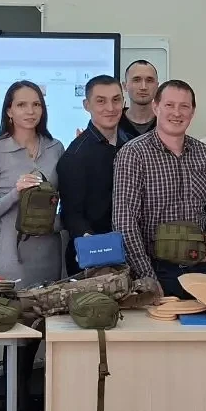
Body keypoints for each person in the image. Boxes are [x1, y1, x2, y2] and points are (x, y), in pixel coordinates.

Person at [0, 81, 64, 411]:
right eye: (22, 105)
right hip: (12, 261)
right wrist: (14, 193)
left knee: (38, 350)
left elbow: (64, 208)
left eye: (36, 104)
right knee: (17, 348)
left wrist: (55, 221)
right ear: (9, 111)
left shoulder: (56, 148)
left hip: (49, 256)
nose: (30, 111)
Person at [112, 79, 206, 298]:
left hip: (202, 269)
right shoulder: (133, 154)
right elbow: (125, 223)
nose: (177, 113)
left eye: (184, 106)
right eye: (169, 105)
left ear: (192, 112)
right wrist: (148, 278)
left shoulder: (205, 154)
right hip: (157, 271)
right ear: (156, 107)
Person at [57, 75, 132, 275]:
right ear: (86, 105)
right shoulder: (75, 155)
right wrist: (97, 250)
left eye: (116, 100)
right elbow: (71, 215)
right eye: (101, 101)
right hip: (93, 261)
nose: (110, 107)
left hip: (133, 253)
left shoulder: (133, 146)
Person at [119, 60, 158, 136]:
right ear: (125, 86)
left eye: (149, 80)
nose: (143, 87)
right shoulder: (114, 121)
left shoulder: (166, 121)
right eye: (136, 80)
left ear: (157, 86)